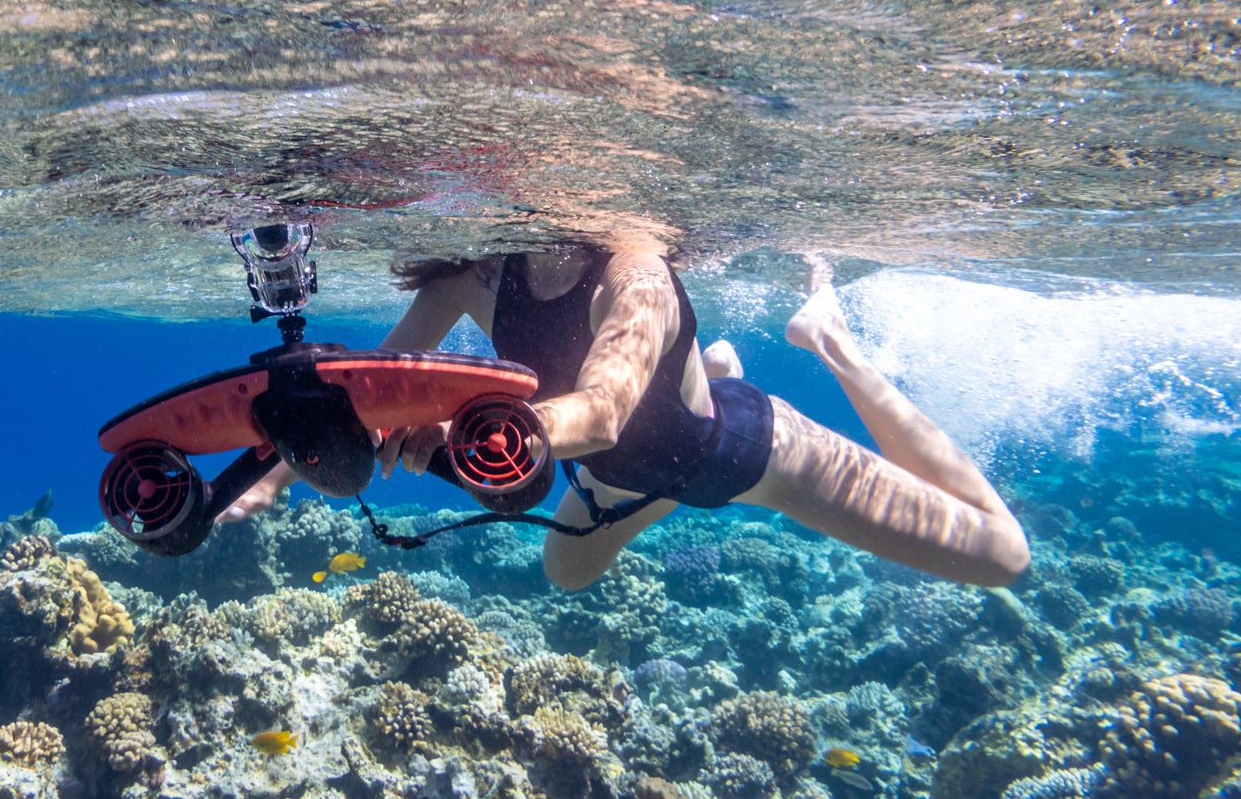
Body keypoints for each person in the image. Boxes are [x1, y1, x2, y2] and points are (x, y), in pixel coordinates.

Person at [222, 242, 1029, 591]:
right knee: (561, 573)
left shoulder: (635, 271)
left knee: (1001, 555)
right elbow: (373, 395)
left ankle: (832, 346)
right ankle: (704, 372)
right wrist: (274, 473)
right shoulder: (472, 277)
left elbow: (606, 412)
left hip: (744, 455)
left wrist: (483, 434)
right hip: (616, 479)